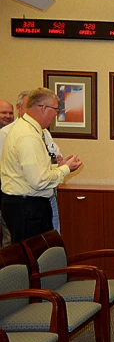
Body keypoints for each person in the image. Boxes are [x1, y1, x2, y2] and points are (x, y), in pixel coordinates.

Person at [0, 87, 81, 243]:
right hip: (28, 208)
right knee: (33, 259)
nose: (56, 114)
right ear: (44, 108)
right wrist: (65, 169)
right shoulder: (28, 136)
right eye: (55, 109)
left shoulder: (26, 129)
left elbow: (32, 170)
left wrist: (57, 167)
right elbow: (39, 180)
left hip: (22, 205)